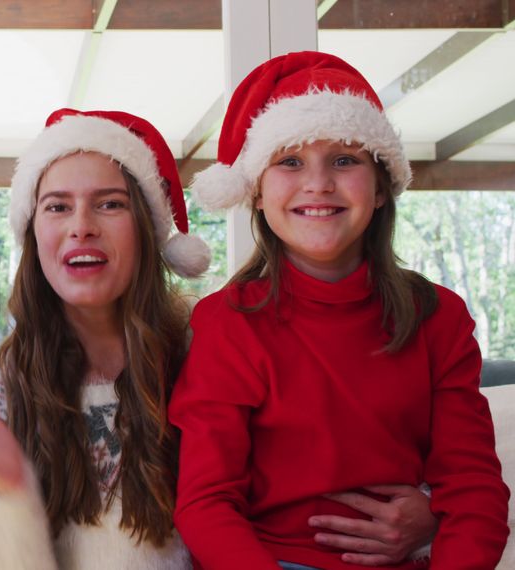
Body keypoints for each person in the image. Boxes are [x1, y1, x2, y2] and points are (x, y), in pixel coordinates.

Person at [171, 51, 510, 569]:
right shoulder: (226, 323)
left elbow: (474, 490)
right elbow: (206, 502)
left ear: (380, 190)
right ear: (257, 193)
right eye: (289, 162)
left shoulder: (438, 316)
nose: (319, 184)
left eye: (345, 160)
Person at [0, 108, 210, 569]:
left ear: (146, 229)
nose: (81, 226)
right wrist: (10, 493)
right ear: (33, 232)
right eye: (57, 206)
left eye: (110, 203)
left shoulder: (205, 362)